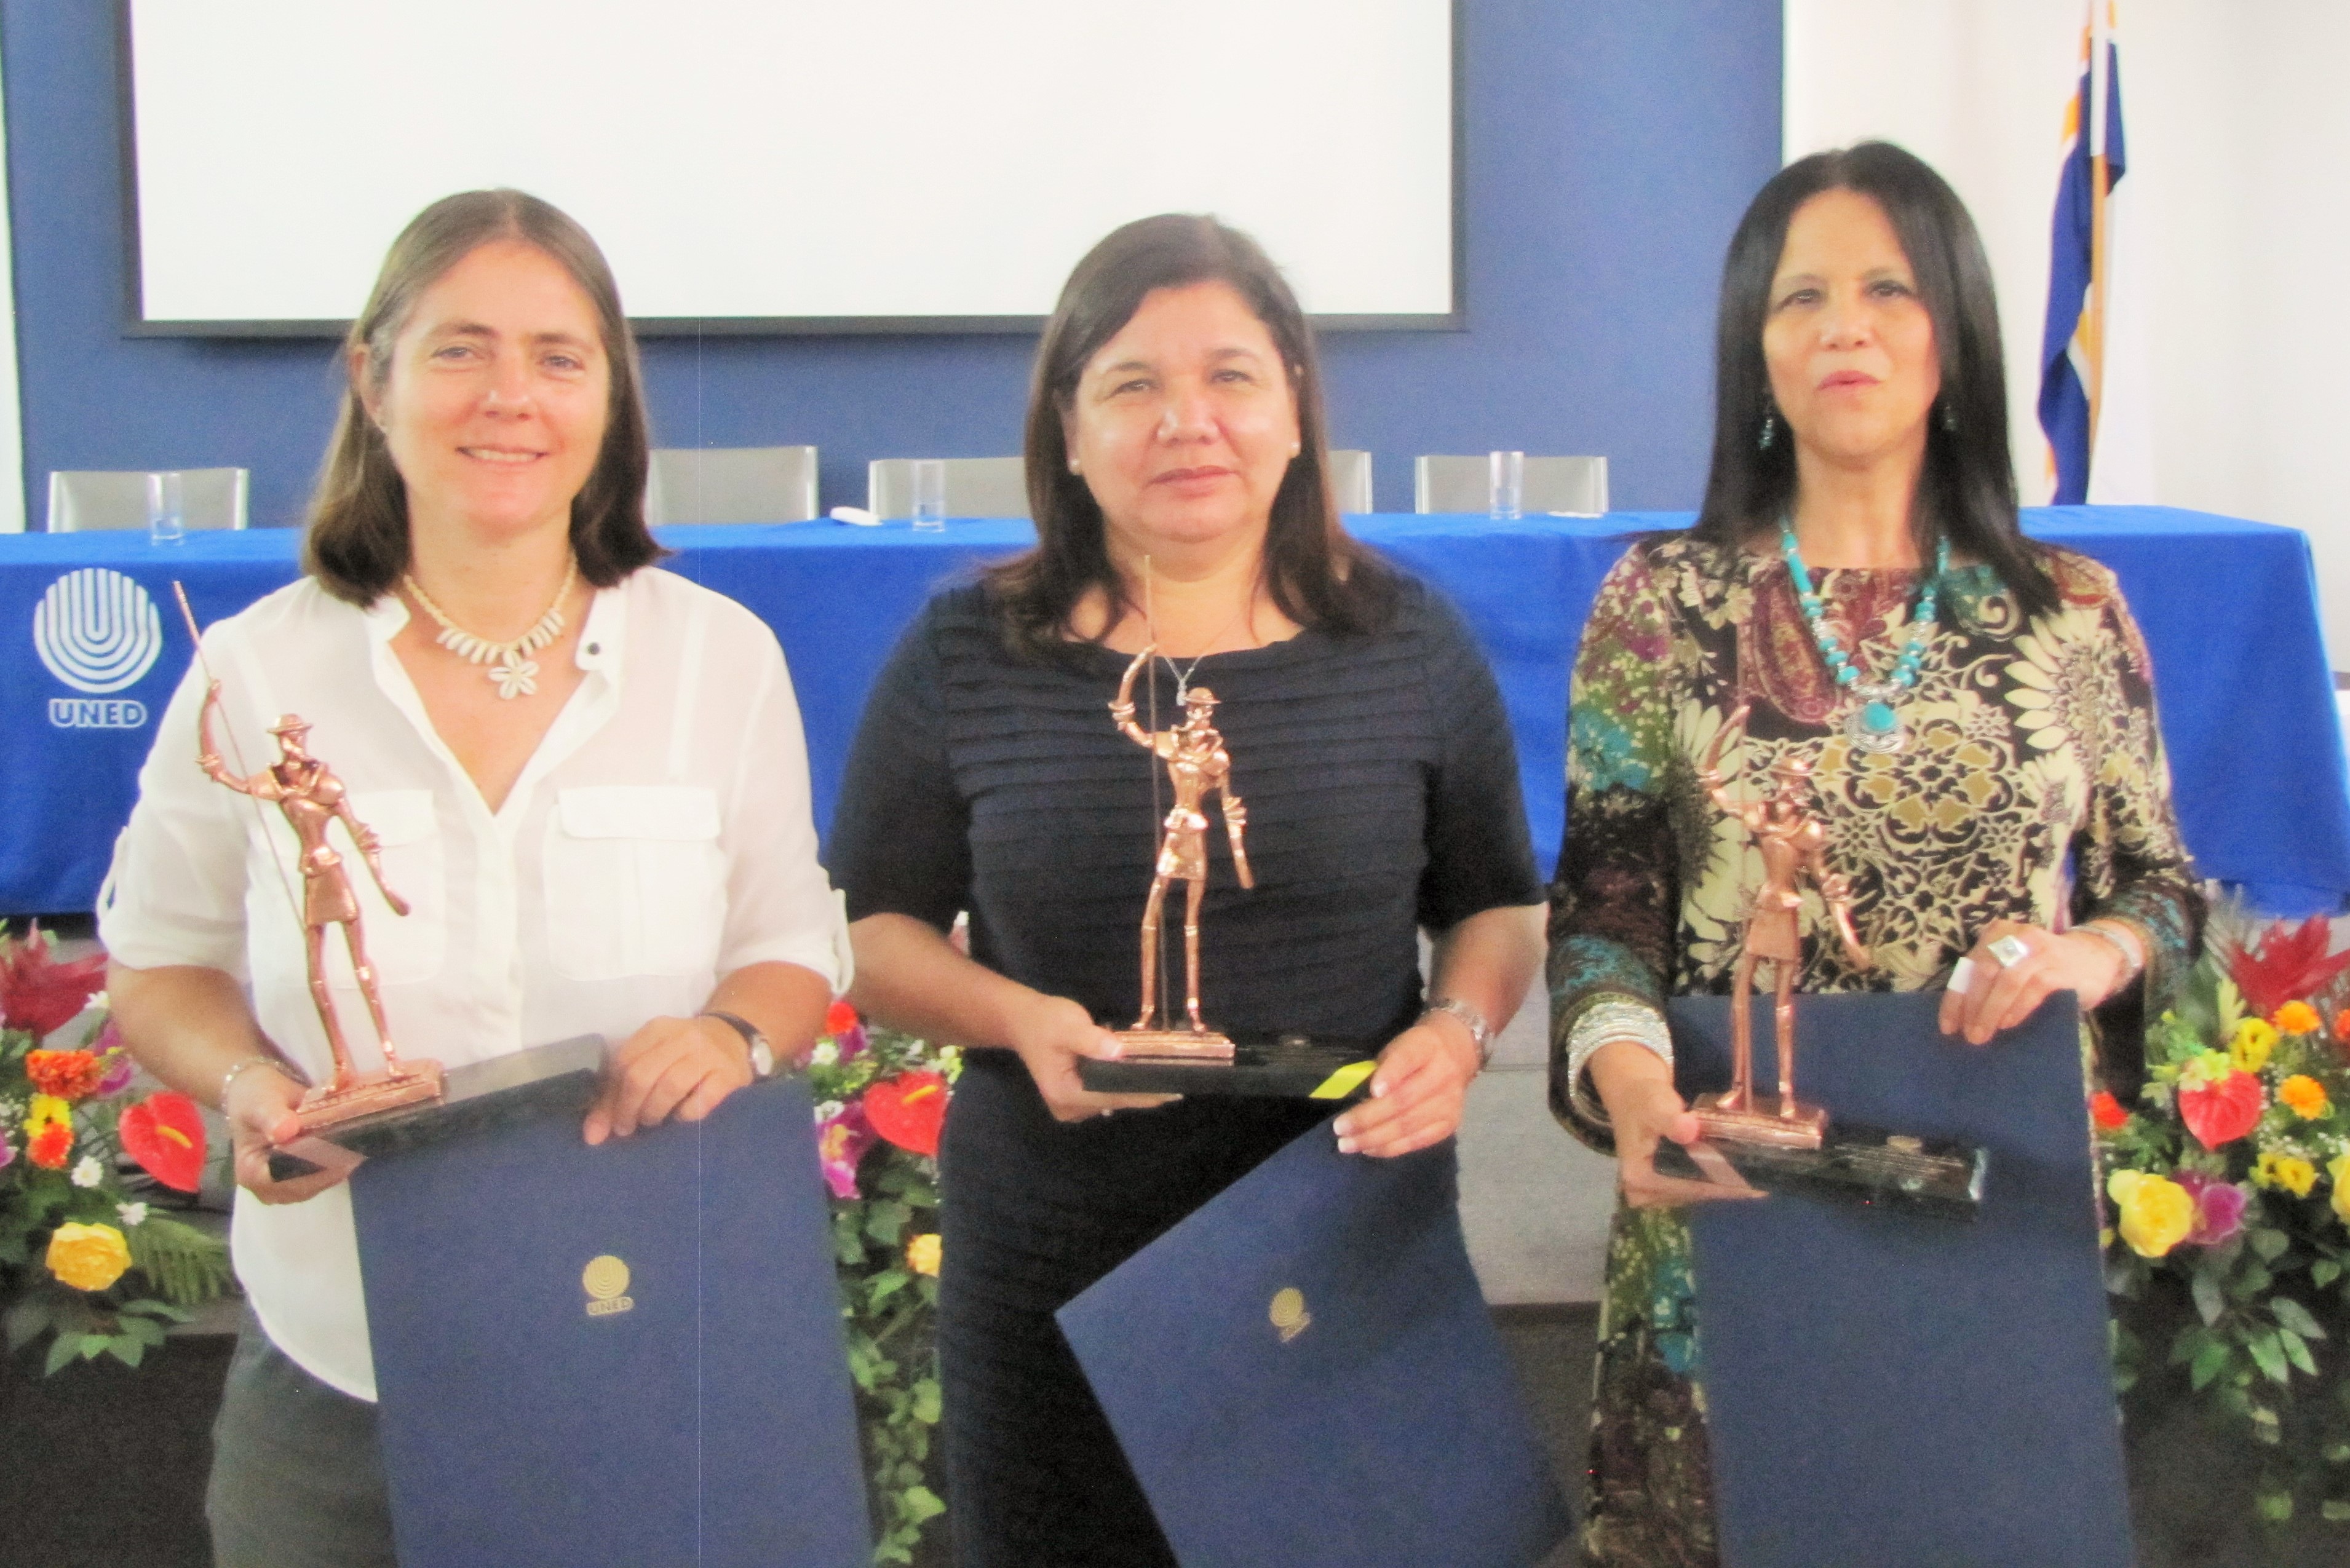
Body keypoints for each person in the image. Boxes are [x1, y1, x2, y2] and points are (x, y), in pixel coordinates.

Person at [99, 190, 846, 1568]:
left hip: (649, 1350)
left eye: (560, 357)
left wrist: (735, 1031)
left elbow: (795, 946)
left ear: (610, 399)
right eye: (461, 350)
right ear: (372, 380)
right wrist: (249, 1086)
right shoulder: (254, 677)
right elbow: (157, 964)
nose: (511, 396)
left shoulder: (720, 659)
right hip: (341, 1385)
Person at [830, 213, 1549, 1566]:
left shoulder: (1409, 644)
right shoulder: (966, 654)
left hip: (1336, 1236)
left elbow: (1499, 905)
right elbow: (868, 932)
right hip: (1053, 1250)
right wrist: (1012, 1018)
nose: (1188, 422)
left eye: (1230, 377)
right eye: (1133, 385)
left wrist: (1458, 1036)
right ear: (1068, 425)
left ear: (1292, 413)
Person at [1547, 142, 2203, 1566]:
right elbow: (1604, 893)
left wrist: (2094, 952)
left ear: (1956, 337)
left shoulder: (2073, 612)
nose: (1844, 324)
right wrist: (1627, 1071)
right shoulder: (1660, 602)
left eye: (1888, 288)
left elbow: (2164, 888)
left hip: (1991, 1197)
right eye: (1803, 297)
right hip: (1726, 1191)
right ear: (1756, 352)